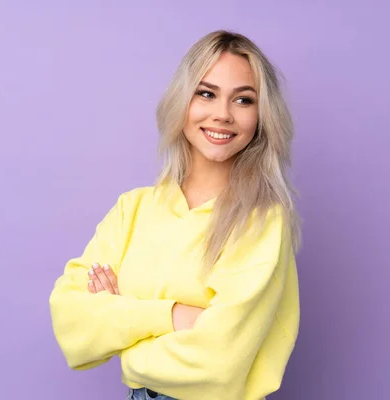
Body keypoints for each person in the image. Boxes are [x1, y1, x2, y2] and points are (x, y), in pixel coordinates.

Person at [49, 30, 302, 400]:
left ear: (261, 117)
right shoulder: (133, 209)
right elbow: (71, 321)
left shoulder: (262, 221)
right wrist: (172, 316)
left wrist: (122, 332)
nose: (223, 114)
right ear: (182, 101)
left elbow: (217, 364)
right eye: (206, 93)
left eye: (244, 100)